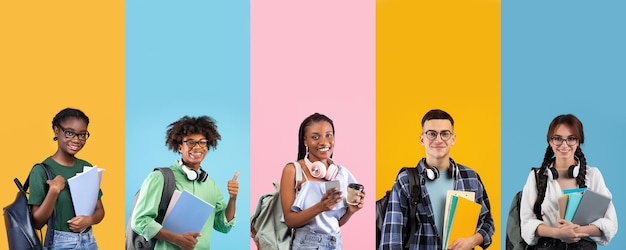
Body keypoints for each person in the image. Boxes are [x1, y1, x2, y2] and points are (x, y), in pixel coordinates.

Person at [379, 109, 494, 250]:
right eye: (432, 134)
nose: (438, 140)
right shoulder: (405, 180)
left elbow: (487, 222)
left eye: (445, 134)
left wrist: (472, 240)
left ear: (453, 139)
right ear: (422, 139)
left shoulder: (471, 178)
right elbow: (392, 238)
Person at [130, 115, 239, 250]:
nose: (197, 147)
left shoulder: (212, 185)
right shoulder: (160, 177)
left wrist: (233, 198)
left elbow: (223, 226)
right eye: (190, 142)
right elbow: (140, 222)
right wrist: (177, 239)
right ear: (180, 147)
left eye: (202, 142)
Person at [520, 114, 617, 249]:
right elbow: (526, 225)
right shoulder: (536, 176)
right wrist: (558, 233)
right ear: (550, 141)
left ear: (578, 141)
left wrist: (576, 231)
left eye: (571, 139)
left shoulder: (593, 175)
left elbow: (610, 224)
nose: (564, 145)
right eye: (558, 138)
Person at [280, 113, 365, 250]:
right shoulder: (293, 170)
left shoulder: (340, 173)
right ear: (305, 141)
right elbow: (290, 221)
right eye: (315, 137)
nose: (324, 142)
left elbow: (334, 222)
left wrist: (351, 211)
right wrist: (320, 207)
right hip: (306, 244)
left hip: (336, 243)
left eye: (329, 135)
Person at [28, 108, 104, 249]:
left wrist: (90, 219)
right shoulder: (41, 171)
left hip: (89, 242)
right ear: (57, 131)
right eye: (69, 133)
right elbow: (37, 222)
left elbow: (100, 210)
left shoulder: (86, 167)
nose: (76, 140)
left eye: (82, 135)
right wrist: (54, 191)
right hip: (60, 243)